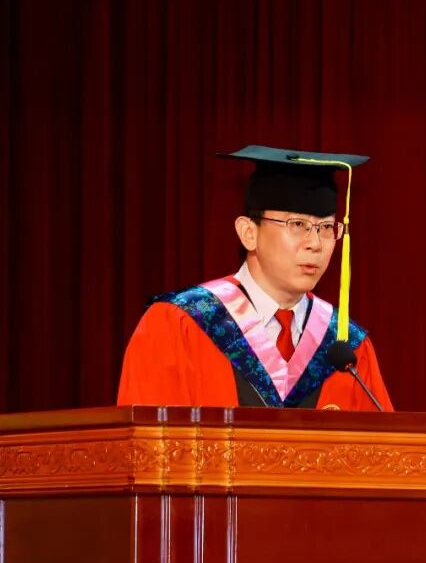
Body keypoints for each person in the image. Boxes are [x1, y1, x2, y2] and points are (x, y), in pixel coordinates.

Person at [117, 145, 393, 410]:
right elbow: (147, 439)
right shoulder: (181, 324)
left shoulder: (346, 347)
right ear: (249, 233)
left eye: (326, 228)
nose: (315, 243)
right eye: (298, 224)